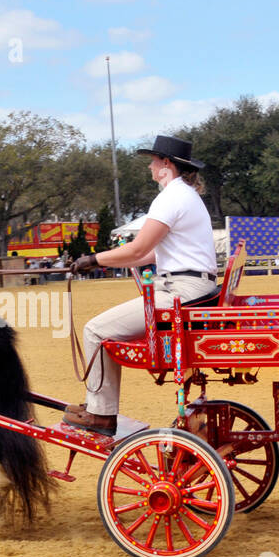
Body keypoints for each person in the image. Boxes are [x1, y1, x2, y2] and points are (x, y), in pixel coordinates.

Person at [62, 135, 218, 434]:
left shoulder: (171, 197)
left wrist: (93, 259)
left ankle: (100, 414)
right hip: (194, 287)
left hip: (180, 291)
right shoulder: (186, 196)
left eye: (153, 161)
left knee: (94, 329)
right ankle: (99, 408)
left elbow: (136, 250)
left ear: (166, 165)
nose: (149, 166)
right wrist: (100, 261)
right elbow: (146, 254)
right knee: (101, 328)